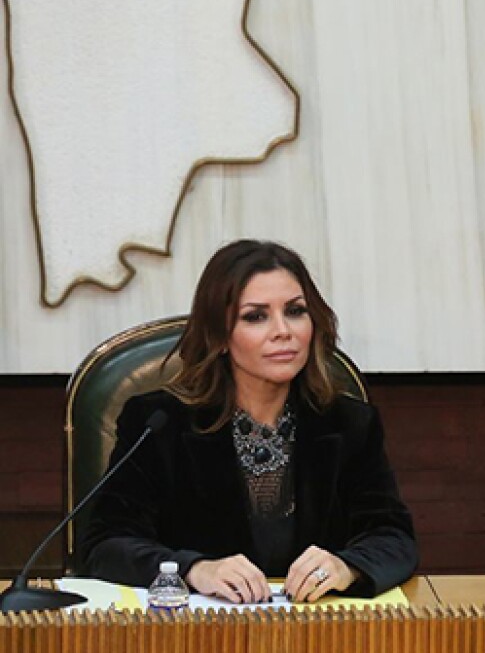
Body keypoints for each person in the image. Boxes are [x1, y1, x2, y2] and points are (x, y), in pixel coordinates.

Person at [78, 241, 418, 602]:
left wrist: (348, 567)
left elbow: (394, 537)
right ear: (220, 336)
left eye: (295, 311)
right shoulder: (159, 423)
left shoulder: (348, 423)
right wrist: (193, 569)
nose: (282, 331)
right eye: (256, 316)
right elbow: (104, 546)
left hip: (315, 632)